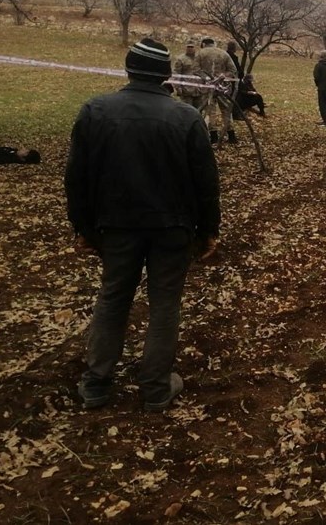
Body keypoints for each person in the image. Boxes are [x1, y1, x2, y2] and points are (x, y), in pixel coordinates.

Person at [64, 39, 220, 412]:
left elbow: (76, 177)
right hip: (172, 229)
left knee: (113, 298)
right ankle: (155, 387)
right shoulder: (186, 117)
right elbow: (206, 182)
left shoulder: (96, 111)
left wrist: (82, 227)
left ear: (128, 68)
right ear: (167, 75)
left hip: (116, 227)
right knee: (165, 304)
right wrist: (208, 231)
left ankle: (96, 383)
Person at [196, 37, 238, 144]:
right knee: (226, 110)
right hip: (223, 87)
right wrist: (223, 76)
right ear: (214, 43)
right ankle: (231, 135)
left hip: (207, 87)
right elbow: (233, 70)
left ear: (203, 44)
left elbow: (195, 69)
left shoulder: (200, 53)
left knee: (210, 111)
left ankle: (213, 136)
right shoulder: (223, 53)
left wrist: (206, 78)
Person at [172, 38, 211, 122]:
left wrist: (206, 85)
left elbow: (204, 72)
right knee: (187, 112)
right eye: (188, 47)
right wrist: (178, 87)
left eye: (192, 47)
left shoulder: (200, 59)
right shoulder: (181, 59)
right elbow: (176, 74)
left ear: (195, 47)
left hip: (199, 91)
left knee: (198, 112)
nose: (190, 48)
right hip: (186, 91)